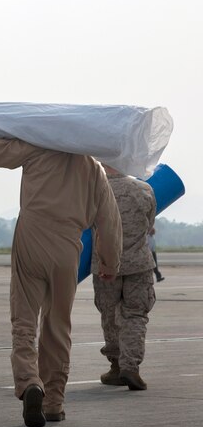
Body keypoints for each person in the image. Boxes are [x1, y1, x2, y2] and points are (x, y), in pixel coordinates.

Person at [0, 111, 121, 427]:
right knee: (58, 326)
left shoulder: (39, 147)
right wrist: (109, 262)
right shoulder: (93, 170)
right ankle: (54, 402)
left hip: (32, 237)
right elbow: (109, 221)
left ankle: (30, 382)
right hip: (69, 245)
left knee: (24, 320)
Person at [93, 165, 156, 391]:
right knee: (136, 315)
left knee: (109, 315)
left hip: (105, 265)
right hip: (139, 264)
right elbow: (150, 226)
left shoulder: (94, 190)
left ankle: (116, 367)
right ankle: (131, 367)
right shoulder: (144, 189)